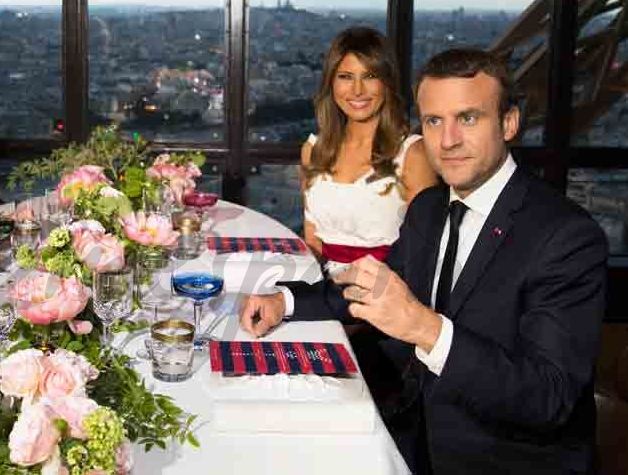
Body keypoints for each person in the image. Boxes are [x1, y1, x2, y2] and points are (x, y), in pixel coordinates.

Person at [240, 48, 608, 474]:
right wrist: (284, 302)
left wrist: (425, 328)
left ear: (509, 124)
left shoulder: (567, 238)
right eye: (434, 121)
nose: (448, 140)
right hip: (414, 436)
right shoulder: (431, 208)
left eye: (468, 118)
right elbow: (379, 289)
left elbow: (548, 398)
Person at [301, 27, 437, 271]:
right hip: (321, 292)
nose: (357, 90)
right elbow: (313, 242)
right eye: (345, 77)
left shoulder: (414, 155)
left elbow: (422, 256)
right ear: (330, 83)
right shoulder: (313, 151)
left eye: (370, 76)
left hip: (386, 294)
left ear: (387, 82)